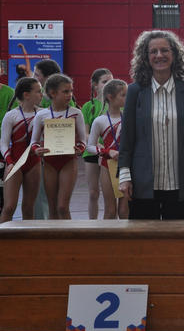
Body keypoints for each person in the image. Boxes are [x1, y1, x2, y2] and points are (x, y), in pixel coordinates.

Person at [118, 30, 184, 220]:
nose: (159, 55)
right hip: (142, 183)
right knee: (143, 235)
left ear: (174, 54)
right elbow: (127, 138)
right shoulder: (134, 91)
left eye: (165, 50)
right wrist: (124, 175)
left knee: (179, 236)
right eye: (153, 51)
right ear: (145, 56)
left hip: (181, 182)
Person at [30, 74, 86, 220]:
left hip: (68, 161)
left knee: (62, 207)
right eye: (65, 91)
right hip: (50, 163)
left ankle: (68, 235)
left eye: (71, 91)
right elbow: (34, 142)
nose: (70, 95)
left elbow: (83, 140)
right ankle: (53, 236)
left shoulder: (76, 113)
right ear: (53, 93)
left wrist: (79, 150)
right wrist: (36, 150)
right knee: (53, 208)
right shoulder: (42, 115)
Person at [0, 78, 42, 223]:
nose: (41, 95)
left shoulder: (43, 114)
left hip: (33, 162)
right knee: (9, 207)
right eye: (38, 91)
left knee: (29, 207)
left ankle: (28, 238)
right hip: (14, 162)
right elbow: (3, 144)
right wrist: (10, 162)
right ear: (26, 95)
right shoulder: (11, 115)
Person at [87, 79, 129, 219]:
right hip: (107, 165)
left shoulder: (129, 118)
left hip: (127, 166)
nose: (127, 98)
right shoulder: (100, 121)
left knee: (124, 211)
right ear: (110, 97)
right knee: (110, 211)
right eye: (123, 95)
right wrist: (107, 152)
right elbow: (90, 147)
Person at [81, 68, 113, 220]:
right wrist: (100, 147)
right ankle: (92, 226)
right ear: (95, 85)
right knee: (93, 193)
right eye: (105, 82)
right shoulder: (88, 107)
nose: (108, 84)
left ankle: (110, 225)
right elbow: (85, 133)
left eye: (111, 81)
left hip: (112, 154)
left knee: (111, 194)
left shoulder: (118, 105)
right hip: (93, 152)